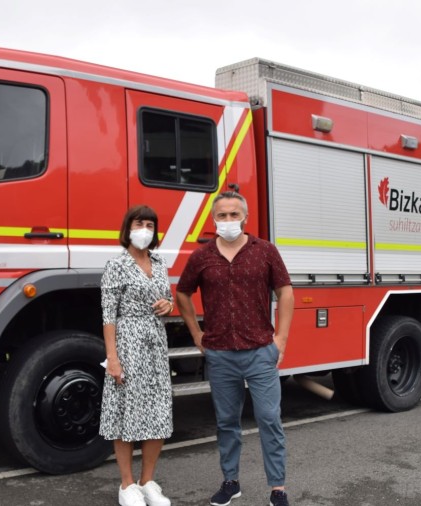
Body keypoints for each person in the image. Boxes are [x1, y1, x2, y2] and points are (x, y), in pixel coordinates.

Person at [176, 191, 295, 506]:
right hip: (220, 354)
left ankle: (278, 489)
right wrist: (196, 333)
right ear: (213, 219)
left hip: (259, 351)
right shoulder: (201, 257)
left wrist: (280, 339)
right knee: (227, 421)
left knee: (269, 418)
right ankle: (230, 482)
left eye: (233, 214)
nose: (228, 220)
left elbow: (285, 291)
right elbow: (183, 293)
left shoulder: (265, 252)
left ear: (245, 218)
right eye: (222, 215)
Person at [100, 205, 175, 506]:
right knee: (127, 411)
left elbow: (168, 298)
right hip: (128, 343)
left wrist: (168, 306)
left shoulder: (160, 261)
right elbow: (108, 316)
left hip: (156, 343)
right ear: (128, 228)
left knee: (157, 411)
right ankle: (127, 485)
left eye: (150, 224)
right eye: (139, 223)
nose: (145, 229)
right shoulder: (116, 265)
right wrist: (113, 358)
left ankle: (148, 482)